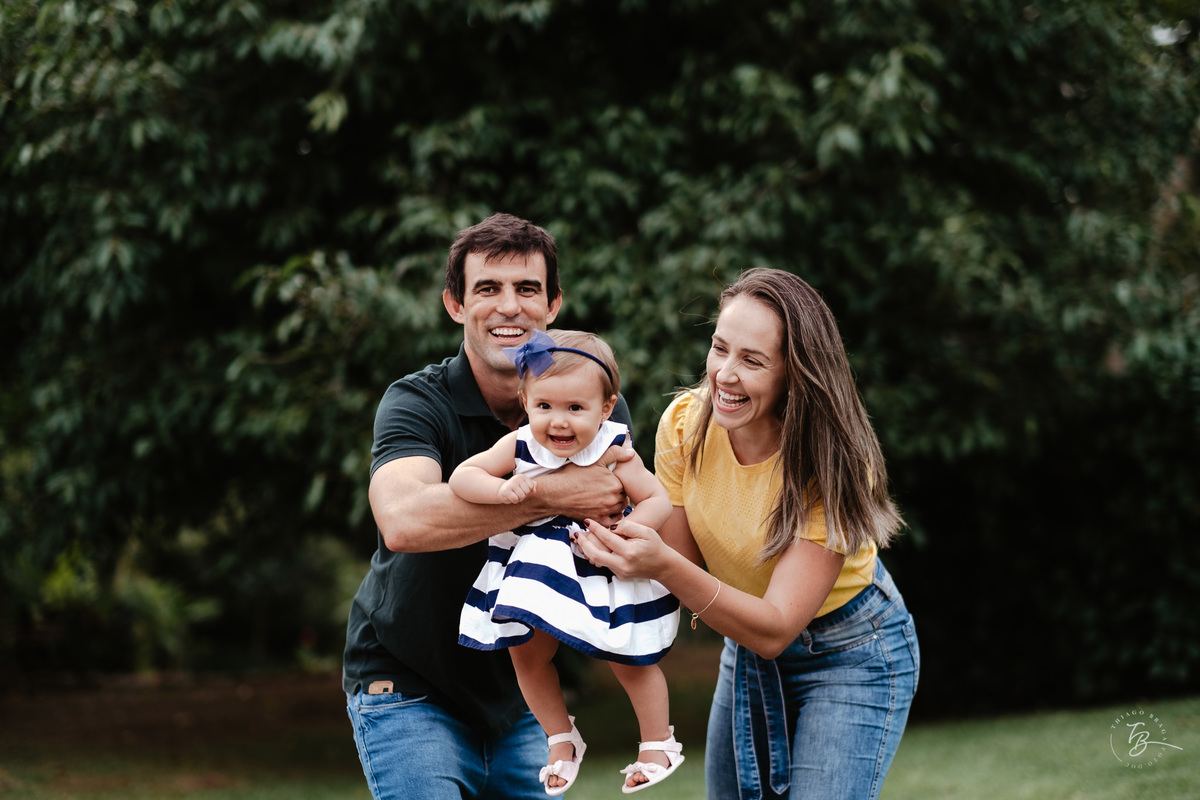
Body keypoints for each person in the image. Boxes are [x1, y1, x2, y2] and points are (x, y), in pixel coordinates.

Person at [574, 268, 920, 800]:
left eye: (752, 360)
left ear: (794, 374)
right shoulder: (686, 424)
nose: (724, 375)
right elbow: (682, 564)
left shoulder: (831, 464)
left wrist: (658, 562)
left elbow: (774, 626)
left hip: (851, 651)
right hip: (747, 647)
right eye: (720, 348)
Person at [343, 213, 635, 800]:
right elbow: (403, 520)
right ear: (455, 304)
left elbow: (623, 520)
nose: (509, 307)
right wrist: (552, 494)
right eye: (488, 289)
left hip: (526, 691)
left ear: (553, 304)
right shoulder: (416, 401)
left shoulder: (597, 405)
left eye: (527, 289)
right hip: (408, 684)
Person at [453, 328, 685, 795]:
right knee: (527, 652)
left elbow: (658, 499)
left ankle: (658, 741)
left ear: (605, 407)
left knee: (628, 656)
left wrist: (632, 528)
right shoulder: (520, 446)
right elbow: (463, 477)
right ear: (526, 401)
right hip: (538, 571)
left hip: (602, 558)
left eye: (575, 408)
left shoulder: (614, 451)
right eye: (544, 407)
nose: (558, 422)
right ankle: (561, 738)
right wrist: (501, 491)